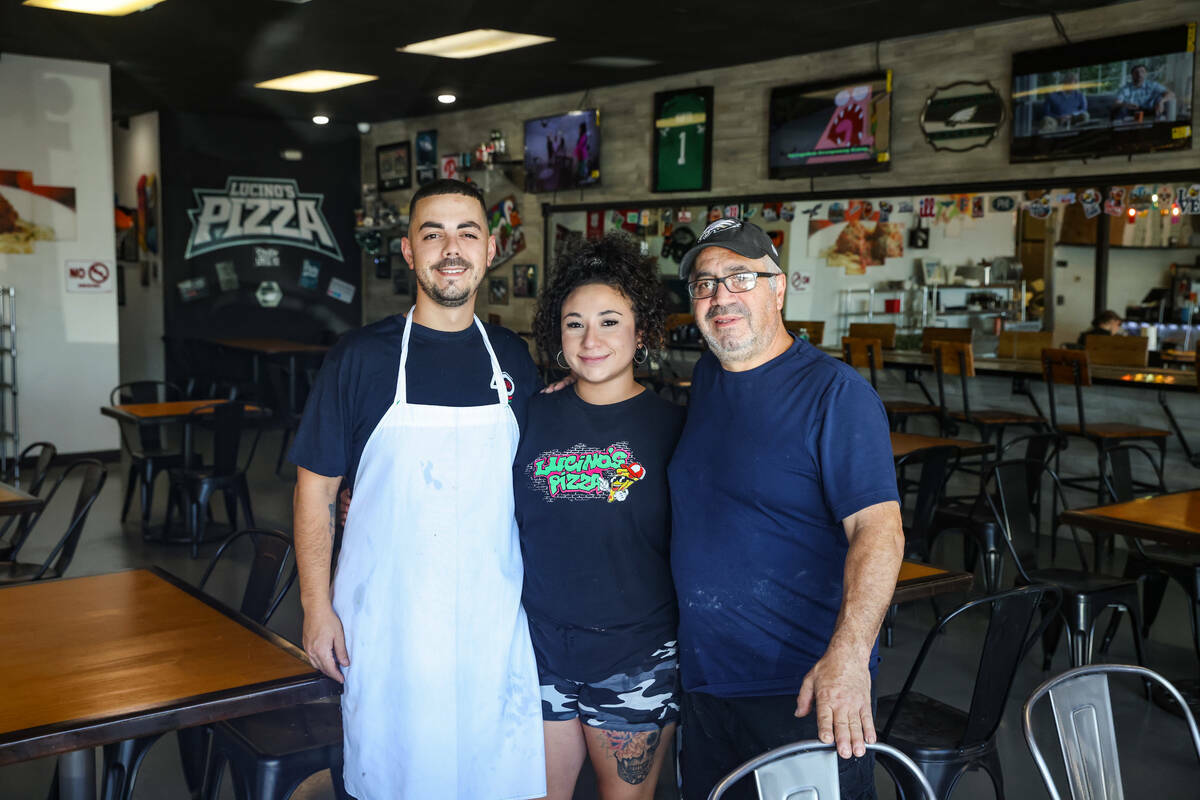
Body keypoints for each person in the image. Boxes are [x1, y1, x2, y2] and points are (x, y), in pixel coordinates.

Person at [289, 178, 546, 800]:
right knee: (391, 772)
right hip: (387, 621)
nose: (450, 248)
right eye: (433, 234)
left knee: (491, 775)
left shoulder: (513, 358)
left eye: (467, 234)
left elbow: (536, 490)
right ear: (409, 251)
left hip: (493, 616)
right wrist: (316, 608)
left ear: (490, 251)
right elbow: (315, 493)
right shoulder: (359, 358)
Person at [667, 219, 905, 800]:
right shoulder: (707, 378)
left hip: (801, 692)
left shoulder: (835, 395)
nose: (721, 296)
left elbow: (880, 529)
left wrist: (849, 659)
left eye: (740, 277)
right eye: (705, 284)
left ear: (778, 288)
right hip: (706, 684)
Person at [516, 233, 685, 800]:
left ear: (641, 333)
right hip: (537, 648)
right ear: (556, 336)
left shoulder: (675, 429)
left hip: (635, 656)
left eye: (610, 321)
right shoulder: (527, 417)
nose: (591, 340)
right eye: (574, 323)